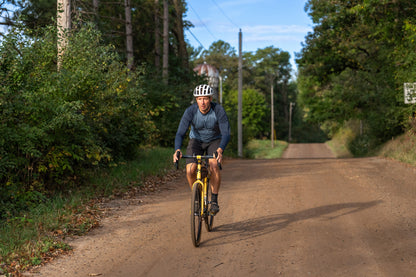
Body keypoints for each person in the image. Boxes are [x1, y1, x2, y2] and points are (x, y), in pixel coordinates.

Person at [173, 84, 230, 215]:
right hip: (196, 141)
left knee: (214, 164)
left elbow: (226, 133)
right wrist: (177, 150)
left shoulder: (218, 110)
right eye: (199, 99)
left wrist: (220, 149)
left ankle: (214, 200)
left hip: (214, 140)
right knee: (190, 170)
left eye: (205, 98)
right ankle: (197, 199)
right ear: (196, 100)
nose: (202, 102)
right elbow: (180, 133)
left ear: (210, 99)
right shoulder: (190, 111)